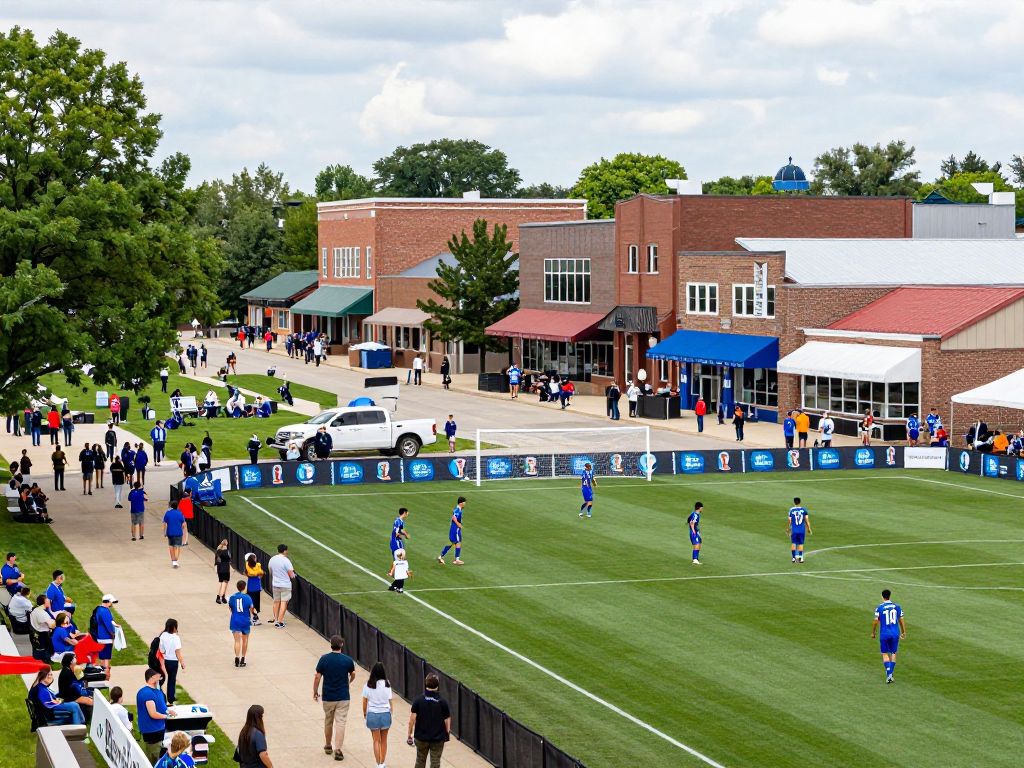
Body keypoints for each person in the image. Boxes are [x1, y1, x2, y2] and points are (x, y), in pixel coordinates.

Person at [313, 634, 357, 761]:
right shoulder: (348, 660)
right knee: (341, 723)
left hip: (328, 696)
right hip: (343, 696)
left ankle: (328, 745)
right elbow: (353, 674)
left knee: (328, 721)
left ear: (331, 644)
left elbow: (317, 677)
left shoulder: (324, 659)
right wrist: (349, 681)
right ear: (341, 645)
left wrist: (315, 692)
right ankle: (338, 749)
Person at [407, 673, 451, 768]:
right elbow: (447, 720)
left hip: (421, 738)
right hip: (438, 739)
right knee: (435, 762)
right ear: (437, 686)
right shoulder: (442, 702)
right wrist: (447, 733)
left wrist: (409, 734)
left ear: (426, 684)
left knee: (420, 761)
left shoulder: (418, 700)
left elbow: (411, 720)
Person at [138, 668, 175, 762]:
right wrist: (166, 717)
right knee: (154, 757)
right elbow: (153, 713)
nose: (161, 678)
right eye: (159, 676)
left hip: (159, 729)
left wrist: (168, 711)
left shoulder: (158, 692)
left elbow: (162, 707)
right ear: (152, 677)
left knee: (160, 754)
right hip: (152, 731)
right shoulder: (146, 693)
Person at [871, 589, 906, 684]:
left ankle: (889, 674)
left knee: (885, 653)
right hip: (895, 633)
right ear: (890, 596)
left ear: (882, 596)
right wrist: (903, 632)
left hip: (884, 634)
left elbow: (875, 621)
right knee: (894, 653)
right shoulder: (897, 606)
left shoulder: (879, 608)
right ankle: (890, 674)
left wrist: (873, 632)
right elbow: (901, 620)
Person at [363, 661, 394, 766]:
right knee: (384, 740)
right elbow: (390, 701)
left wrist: (365, 715)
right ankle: (382, 762)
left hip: (373, 715)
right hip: (385, 714)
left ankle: (378, 763)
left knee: (376, 740)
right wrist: (390, 712)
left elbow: (364, 702)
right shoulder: (387, 684)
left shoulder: (368, 684)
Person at [229, 579, 256, 667]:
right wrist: (254, 613)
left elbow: (230, 609)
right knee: (245, 640)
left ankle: (236, 658)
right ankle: (243, 659)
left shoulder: (232, 597)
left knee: (237, 641)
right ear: (244, 587)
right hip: (245, 621)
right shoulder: (248, 597)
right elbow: (252, 609)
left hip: (235, 620)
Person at [92, 594, 120, 679]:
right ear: (107, 602)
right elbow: (109, 625)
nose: (112, 604)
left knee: (102, 657)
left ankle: (103, 673)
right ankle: (105, 675)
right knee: (106, 658)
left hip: (100, 637)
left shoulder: (99, 609)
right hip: (106, 638)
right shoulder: (105, 611)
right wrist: (114, 634)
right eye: (111, 602)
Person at [159, 618, 185, 705]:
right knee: (171, 680)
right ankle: (171, 698)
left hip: (165, 660)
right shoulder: (176, 638)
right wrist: (182, 663)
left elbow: (162, 649)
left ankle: (162, 696)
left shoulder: (163, 635)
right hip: (173, 662)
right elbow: (177, 652)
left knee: (163, 679)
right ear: (174, 627)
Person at [268, 544, 295, 628]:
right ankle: (279, 622)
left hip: (275, 584)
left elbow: (270, 570)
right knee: (284, 603)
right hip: (285, 585)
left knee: (276, 602)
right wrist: (293, 576)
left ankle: (276, 620)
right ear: (285, 551)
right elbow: (291, 574)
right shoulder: (286, 560)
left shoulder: (272, 559)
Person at [437, 497, 466, 566]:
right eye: (464, 502)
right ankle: (457, 560)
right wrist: (458, 524)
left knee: (451, 543)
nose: (465, 504)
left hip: (454, 528)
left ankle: (441, 556)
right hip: (456, 529)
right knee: (458, 542)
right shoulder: (458, 509)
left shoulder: (458, 509)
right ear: (461, 503)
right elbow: (454, 517)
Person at [163, 499, 187, 568]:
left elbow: (165, 523)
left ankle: (173, 561)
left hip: (170, 532)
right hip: (178, 532)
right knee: (177, 546)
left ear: (171, 506)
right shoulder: (180, 513)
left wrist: (164, 532)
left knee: (171, 546)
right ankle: (176, 559)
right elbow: (183, 524)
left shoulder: (167, 513)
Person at [787, 498, 812, 563]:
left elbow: (789, 520)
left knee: (793, 543)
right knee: (801, 543)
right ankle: (801, 558)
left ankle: (793, 558)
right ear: (800, 502)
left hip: (794, 530)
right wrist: (809, 528)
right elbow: (807, 520)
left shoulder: (791, 510)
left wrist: (788, 528)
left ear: (794, 502)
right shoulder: (804, 510)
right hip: (801, 530)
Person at [245, 553, 264, 625]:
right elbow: (261, 574)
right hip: (256, 588)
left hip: (250, 587)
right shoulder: (257, 568)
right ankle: (254, 618)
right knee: (255, 604)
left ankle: (251, 618)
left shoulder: (248, 568)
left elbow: (247, 574)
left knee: (251, 603)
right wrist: (259, 576)